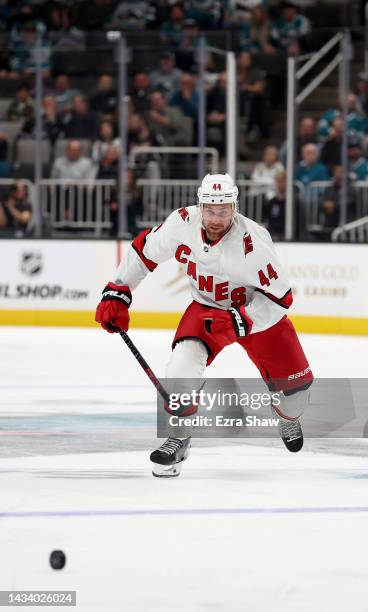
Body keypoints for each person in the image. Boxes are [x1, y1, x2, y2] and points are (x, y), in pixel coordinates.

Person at [95, 173, 313, 477]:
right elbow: (144, 250)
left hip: (258, 317)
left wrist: (242, 319)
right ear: (201, 205)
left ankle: (287, 416)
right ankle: (179, 439)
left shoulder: (255, 243)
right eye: (210, 209)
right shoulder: (182, 223)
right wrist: (119, 289)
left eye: (223, 210)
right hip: (207, 310)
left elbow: (282, 298)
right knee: (180, 369)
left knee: (297, 394)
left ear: (234, 207)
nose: (216, 218)